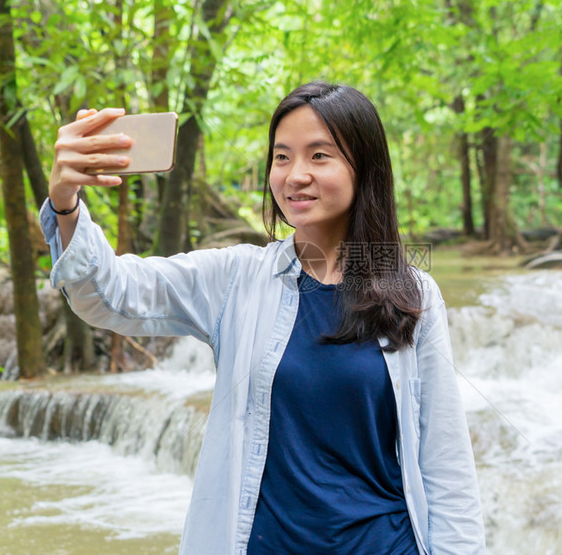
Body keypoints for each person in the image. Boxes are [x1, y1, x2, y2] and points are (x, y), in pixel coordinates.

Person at [41, 81, 486, 555]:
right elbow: (109, 294)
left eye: (320, 156)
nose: (295, 175)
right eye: (281, 157)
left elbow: (445, 461)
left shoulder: (415, 295)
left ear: (365, 169)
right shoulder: (236, 277)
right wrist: (67, 203)